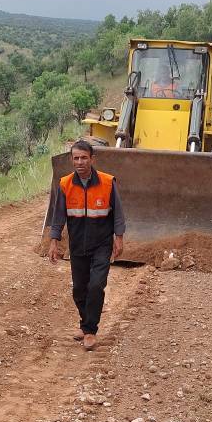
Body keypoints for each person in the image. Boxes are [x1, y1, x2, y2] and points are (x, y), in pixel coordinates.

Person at [47, 140, 125, 351]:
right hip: (77, 245)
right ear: (72, 160)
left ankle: (90, 331)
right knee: (79, 290)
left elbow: (118, 213)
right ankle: (85, 323)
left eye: (84, 158)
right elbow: (58, 216)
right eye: (76, 158)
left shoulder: (107, 182)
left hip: (101, 244)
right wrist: (54, 241)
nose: (80, 162)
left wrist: (118, 238)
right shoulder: (65, 184)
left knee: (96, 286)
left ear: (92, 159)